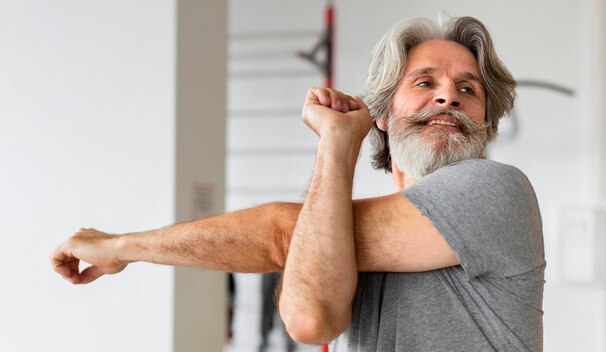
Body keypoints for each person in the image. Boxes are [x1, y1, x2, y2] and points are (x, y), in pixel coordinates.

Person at [51, 15, 545, 351]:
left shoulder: (497, 190)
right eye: (424, 82)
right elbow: (311, 321)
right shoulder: (341, 237)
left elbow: (281, 234)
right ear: (381, 113)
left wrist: (120, 246)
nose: (448, 99)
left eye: (467, 89)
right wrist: (335, 141)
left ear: (487, 118)